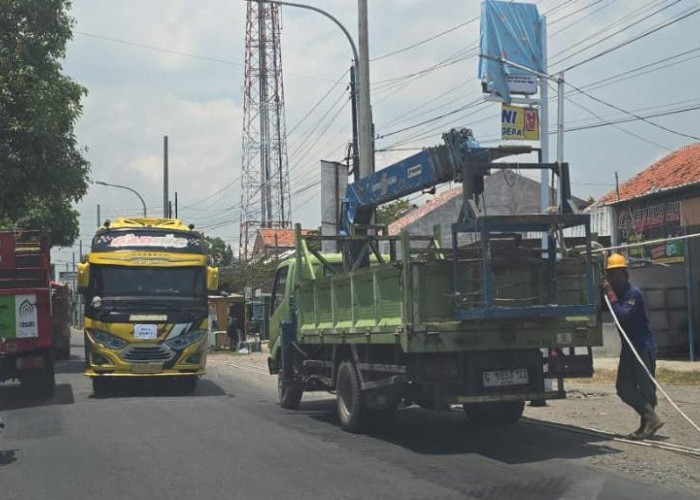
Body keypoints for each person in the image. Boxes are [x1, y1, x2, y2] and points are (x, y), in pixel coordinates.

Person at [603, 253, 664, 439]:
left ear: (625, 274)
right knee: (623, 388)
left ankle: (648, 423)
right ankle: (650, 418)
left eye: (617, 274)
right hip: (629, 350)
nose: (614, 278)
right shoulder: (617, 295)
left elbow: (622, 316)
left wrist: (611, 294)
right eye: (610, 275)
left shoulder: (633, 294)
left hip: (642, 348)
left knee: (646, 388)